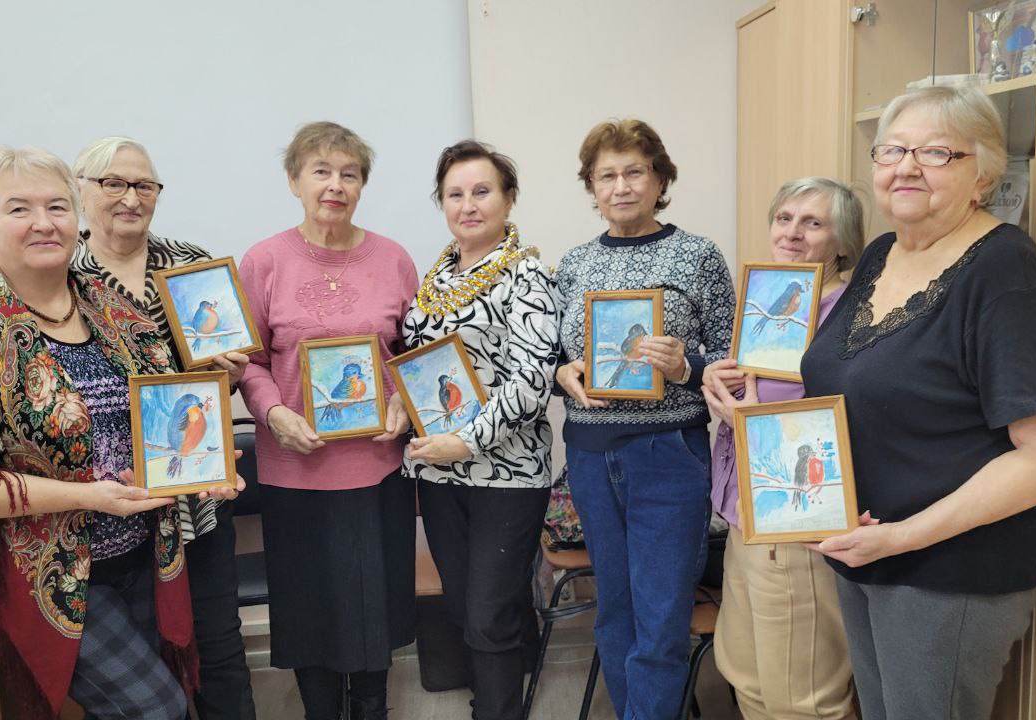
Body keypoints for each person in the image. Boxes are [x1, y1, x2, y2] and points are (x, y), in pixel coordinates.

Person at [0, 147, 235, 719]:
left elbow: (163, 420)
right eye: (19, 209)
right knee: (160, 710)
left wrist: (203, 469)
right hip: (35, 570)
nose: (44, 222)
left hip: (135, 548)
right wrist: (86, 496)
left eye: (57, 206)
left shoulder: (112, 308)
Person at [801, 86, 1036, 719]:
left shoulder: (1004, 272)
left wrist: (903, 537)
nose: (906, 167)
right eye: (893, 150)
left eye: (936, 153)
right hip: (866, 552)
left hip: (946, 575)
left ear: (982, 175)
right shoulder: (881, 253)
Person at [553, 118, 734, 719]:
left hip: (667, 453)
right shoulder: (574, 264)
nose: (622, 186)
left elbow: (732, 361)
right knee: (615, 612)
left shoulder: (698, 256)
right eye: (606, 175)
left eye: (635, 172)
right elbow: (555, 357)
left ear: (660, 180)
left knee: (660, 617)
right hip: (590, 456)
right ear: (592, 187)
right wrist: (563, 373)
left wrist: (685, 366)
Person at [237, 122, 417, 720]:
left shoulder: (394, 259)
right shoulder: (264, 261)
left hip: (377, 469)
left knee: (373, 610)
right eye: (321, 171)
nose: (335, 185)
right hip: (294, 469)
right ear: (294, 181)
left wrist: (403, 402)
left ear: (362, 185)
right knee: (308, 612)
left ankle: (372, 710)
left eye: (349, 174)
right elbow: (248, 360)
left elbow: (416, 354)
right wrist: (273, 412)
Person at [71, 135, 255, 719]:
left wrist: (230, 373)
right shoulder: (60, 275)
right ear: (81, 190)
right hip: (117, 509)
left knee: (219, 643)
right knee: (144, 660)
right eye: (114, 183)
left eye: (144, 185)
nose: (131, 197)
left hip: (199, 492)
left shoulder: (191, 264)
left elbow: (221, 380)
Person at [402, 140, 561, 720]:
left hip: (507, 474)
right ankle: (490, 698)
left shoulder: (529, 276)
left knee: (490, 614)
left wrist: (465, 441)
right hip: (440, 473)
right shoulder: (437, 276)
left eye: (482, 191)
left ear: (509, 198)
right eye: (455, 194)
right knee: (466, 609)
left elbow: (532, 381)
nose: (468, 205)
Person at [701, 177, 864, 720]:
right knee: (745, 674)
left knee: (803, 697)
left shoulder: (849, 316)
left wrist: (745, 419)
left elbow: (841, 419)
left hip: (795, 523)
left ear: (843, 241)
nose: (792, 233)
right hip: (745, 515)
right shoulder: (769, 298)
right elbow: (759, 386)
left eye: (813, 223)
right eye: (784, 218)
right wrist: (716, 379)